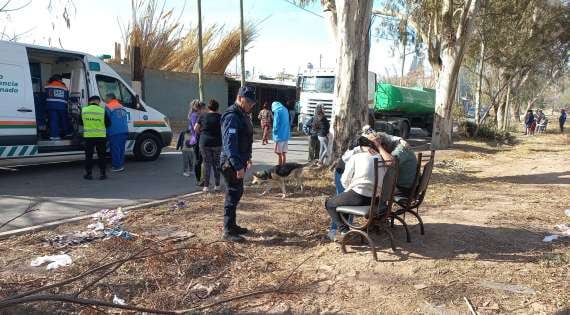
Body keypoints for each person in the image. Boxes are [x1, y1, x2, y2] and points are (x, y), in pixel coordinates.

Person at [324, 138, 386, 239]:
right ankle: (345, 229)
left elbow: (344, 180)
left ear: (359, 146)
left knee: (330, 203)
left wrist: (349, 189)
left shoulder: (356, 156)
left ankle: (344, 231)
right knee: (344, 200)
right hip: (376, 199)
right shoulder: (380, 157)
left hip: (360, 196)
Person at [220, 85, 255, 242]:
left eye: (252, 103)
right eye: (249, 102)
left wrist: (247, 158)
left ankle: (233, 225)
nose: (251, 106)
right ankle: (228, 230)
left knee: (237, 192)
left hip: (239, 161)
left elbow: (245, 140)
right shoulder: (232, 116)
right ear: (240, 98)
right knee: (232, 195)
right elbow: (230, 144)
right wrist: (237, 165)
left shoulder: (241, 114)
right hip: (230, 164)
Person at [362, 126, 417, 196]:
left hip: (404, 189)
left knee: (370, 191)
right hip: (406, 186)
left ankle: (378, 206)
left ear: (384, 146)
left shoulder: (400, 150)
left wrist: (378, 146)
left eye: (376, 150)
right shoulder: (397, 146)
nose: (378, 153)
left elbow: (390, 163)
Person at [195, 99, 223, 193]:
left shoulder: (203, 116)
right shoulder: (221, 117)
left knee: (207, 164)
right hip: (217, 143)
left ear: (208, 107)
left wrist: (202, 133)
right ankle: (217, 185)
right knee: (216, 164)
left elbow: (196, 128)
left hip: (204, 143)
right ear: (217, 108)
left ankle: (206, 186)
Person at [81, 96, 111, 180]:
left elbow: (80, 122)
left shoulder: (84, 110)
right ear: (97, 101)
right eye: (99, 101)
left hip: (88, 137)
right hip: (101, 136)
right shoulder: (102, 110)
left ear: (90, 101)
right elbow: (108, 123)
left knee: (88, 156)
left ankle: (89, 174)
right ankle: (103, 174)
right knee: (102, 156)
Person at [105, 93, 129, 172]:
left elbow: (106, 120)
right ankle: (120, 165)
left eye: (106, 98)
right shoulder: (121, 106)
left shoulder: (108, 106)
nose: (105, 100)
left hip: (115, 131)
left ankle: (117, 166)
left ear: (110, 98)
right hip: (124, 130)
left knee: (115, 149)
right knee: (121, 149)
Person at [45, 74, 72, 140]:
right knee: (64, 120)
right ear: (59, 79)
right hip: (62, 106)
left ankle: (54, 136)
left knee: (53, 121)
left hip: (51, 106)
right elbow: (67, 97)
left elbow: (45, 96)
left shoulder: (48, 86)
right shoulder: (64, 87)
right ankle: (67, 133)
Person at [188, 100, 205, 185]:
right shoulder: (195, 116)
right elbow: (196, 129)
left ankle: (200, 179)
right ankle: (198, 180)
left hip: (197, 139)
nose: (204, 110)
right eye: (203, 108)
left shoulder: (195, 115)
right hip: (196, 140)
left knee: (200, 160)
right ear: (198, 108)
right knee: (198, 160)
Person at [272, 101, 290, 165]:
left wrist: (274, 131)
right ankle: (284, 166)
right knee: (284, 153)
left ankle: (279, 168)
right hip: (286, 135)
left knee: (279, 154)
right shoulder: (285, 109)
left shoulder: (277, 111)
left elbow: (275, 123)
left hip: (279, 136)